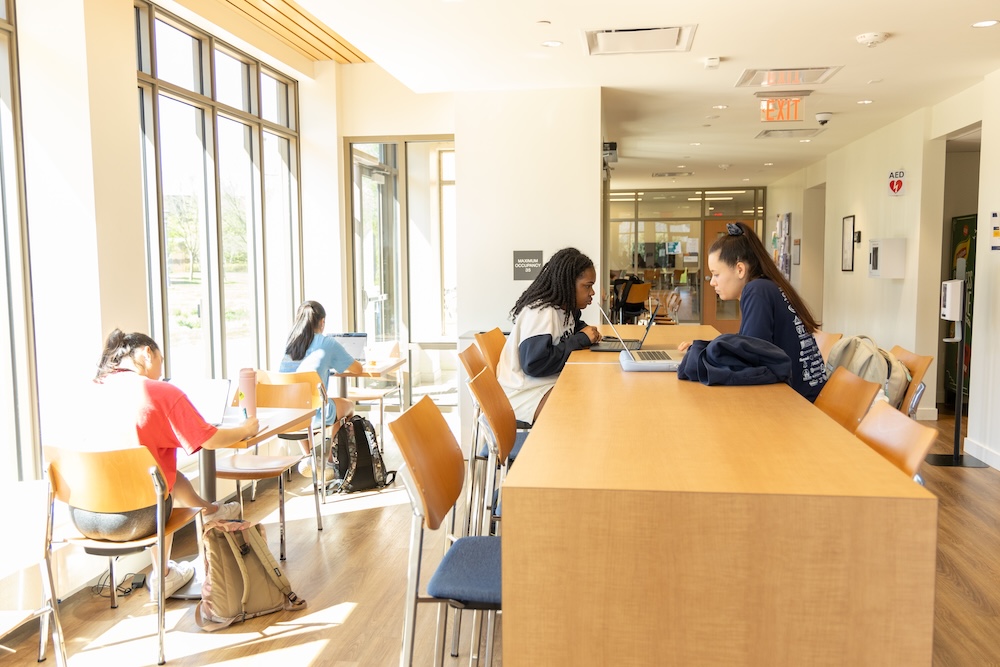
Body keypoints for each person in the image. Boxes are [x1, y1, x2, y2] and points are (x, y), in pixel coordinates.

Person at [79, 330, 261, 600]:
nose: (160, 370)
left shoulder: (92, 389)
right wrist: (245, 429)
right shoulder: (158, 391)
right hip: (135, 517)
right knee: (158, 482)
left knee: (161, 469)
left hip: (84, 513)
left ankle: (208, 510)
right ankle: (163, 576)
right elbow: (210, 439)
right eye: (160, 360)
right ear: (147, 353)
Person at [679, 222, 826, 401]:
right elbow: (750, 346)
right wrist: (708, 347)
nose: (712, 282)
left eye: (716, 274)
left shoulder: (757, 290)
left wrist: (704, 353)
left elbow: (751, 358)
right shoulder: (768, 286)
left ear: (740, 269)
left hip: (797, 404)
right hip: (803, 396)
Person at [497, 247, 602, 425]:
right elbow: (535, 363)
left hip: (542, 383)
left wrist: (584, 332)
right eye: (587, 286)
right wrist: (580, 339)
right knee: (585, 411)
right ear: (568, 284)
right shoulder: (542, 312)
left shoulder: (565, 309)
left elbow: (571, 329)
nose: (592, 292)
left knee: (592, 392)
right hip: (523, 393)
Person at [278, 300, 361, 477]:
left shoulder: (290, 344)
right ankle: (331, 461)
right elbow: (357, 369)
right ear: (322, 322)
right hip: (315, 414)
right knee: (348, 407)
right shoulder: (327, 343)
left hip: (288, 416)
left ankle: (309, 456)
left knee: (303, 404)